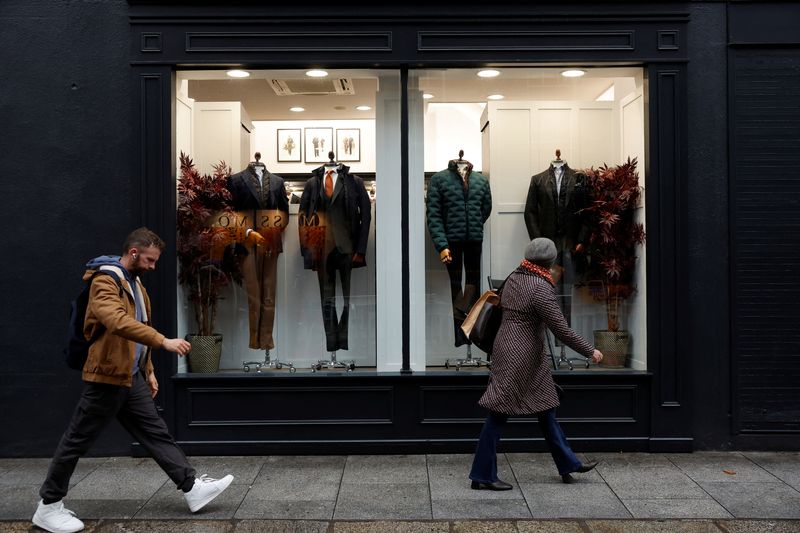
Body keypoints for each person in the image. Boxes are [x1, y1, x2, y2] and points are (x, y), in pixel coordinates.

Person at [33, 228, 233, 533]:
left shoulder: (135, 282)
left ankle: (192, 488)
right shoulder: (105, 280)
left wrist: (148, 368)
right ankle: (48, 507)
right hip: (107, 376)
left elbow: (138, 327)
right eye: (151, 260)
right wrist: (162, 342)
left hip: (130, 375)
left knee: (155, 433)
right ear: (135, 253)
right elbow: (116, 321)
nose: (154, 266)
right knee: (76, 441)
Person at [469, 237, 603, 490]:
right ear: (551, 261)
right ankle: (482, 475)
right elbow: (561, 330)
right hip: (519, 356)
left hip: (517, 352)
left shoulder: (515, 276)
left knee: (546, 409)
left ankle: (568, 463)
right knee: (498, 414)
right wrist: (590, 350)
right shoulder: (540, 287)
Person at [299, 160, 371, 353]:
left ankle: (343, 340)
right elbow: (303, 219)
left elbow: (366, 215)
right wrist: (307, 251)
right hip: (321, 250)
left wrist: (361, 249)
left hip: (347, 248)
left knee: (347, 299)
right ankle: (331, 343)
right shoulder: (312, 183)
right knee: (326, 299)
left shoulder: (354, 182)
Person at [426, 156, 492, 346]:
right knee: (456, 285)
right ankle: (461, 338)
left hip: (474, 239)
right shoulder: (439, 180)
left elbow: (485, 208)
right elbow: (434, 214)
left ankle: (472, 333)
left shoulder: (480, 180)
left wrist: (474, 225)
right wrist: (442, 245)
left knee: (473, 284)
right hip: (451, 242)